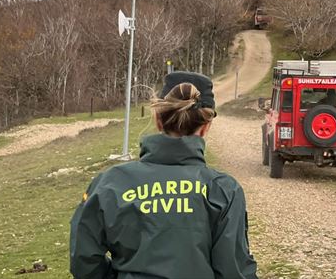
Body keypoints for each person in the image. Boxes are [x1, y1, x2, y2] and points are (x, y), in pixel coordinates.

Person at [69, 71, 257, 279]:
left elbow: (83, 260)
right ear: (206, 127)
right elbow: (234, 271)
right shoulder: (224, 190)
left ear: (158, 119)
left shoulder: (109, 183)